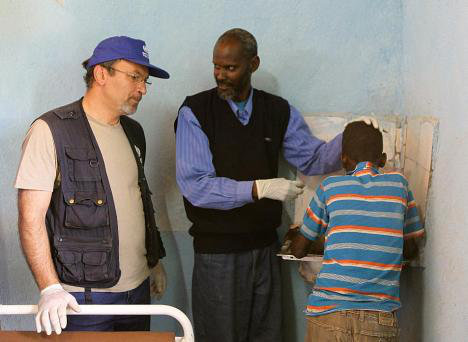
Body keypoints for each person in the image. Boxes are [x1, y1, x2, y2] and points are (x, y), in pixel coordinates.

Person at [175, 28, 377, 342]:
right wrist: (259, 188)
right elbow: (196, 186)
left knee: (268, 336)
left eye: (230, 68)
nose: (221, 75)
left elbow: (311, 159)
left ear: (253, 64)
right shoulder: (196, 113)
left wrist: (352, 135)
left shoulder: (277, 111)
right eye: (216, 66)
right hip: (218, 253)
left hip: (265, 249)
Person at [15, 36, 168, 335]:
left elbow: (138, 202)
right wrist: (49, 288)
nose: (142, 89)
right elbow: (30, 219)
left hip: (138, 294)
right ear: (100, 74)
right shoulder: (51, 130)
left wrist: (153, 262)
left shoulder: (134, 132)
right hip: (83, 299)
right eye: (135, 76)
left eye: (146, 81)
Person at [290, 120, 425, 341]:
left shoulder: (330, 187)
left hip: (328, 313)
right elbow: (409, 249)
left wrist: (327, 240)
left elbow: (298, 249)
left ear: (343, 158)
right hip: (379, 316)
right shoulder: (400, 185)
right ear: (382, 159)